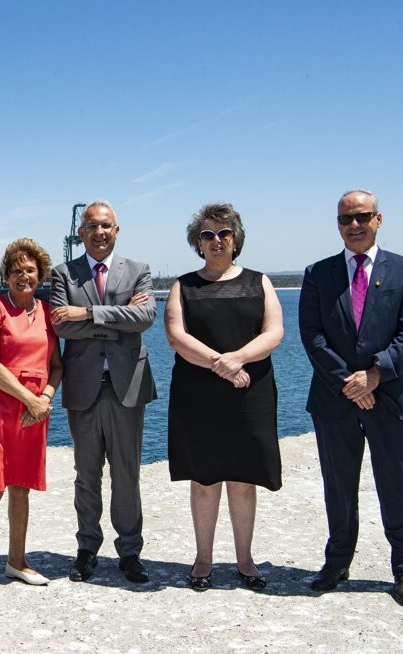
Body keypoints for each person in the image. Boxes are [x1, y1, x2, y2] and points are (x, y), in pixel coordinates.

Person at [299, 189, 403, 608]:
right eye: (345, 219)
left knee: (398, 484)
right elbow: (313, 336)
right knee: (338, 486)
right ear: (337, 225)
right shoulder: (318, 273)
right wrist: (349, 383)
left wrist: (374, 375)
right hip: (334, 399)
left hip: (388, 396)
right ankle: (337, 563)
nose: (353, 225)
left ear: (378, 219)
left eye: (362, 217)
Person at [164, 203, 284, 592]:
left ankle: (245, 560)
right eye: (208, 235)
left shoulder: (259, 281)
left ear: (236, 238)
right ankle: (203, 559)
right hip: (198, 395)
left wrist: (238, 359)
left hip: (250, 392)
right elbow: (176, 337)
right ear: (197, 243)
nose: (217, 241)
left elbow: (274, 333)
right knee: (203, 479)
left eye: (224, 233)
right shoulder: (184, 285)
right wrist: (221, 364)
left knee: (243, 479)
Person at [50, 200, 156, 584]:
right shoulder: (63, 273)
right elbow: (61, 326)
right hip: (83, 386)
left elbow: (144, 318)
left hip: (127, 385)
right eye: (92, 226)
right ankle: (87, 549)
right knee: (86, 473)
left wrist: (88, 314)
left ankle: (130, 552)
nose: (99, 233)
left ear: (117, 230)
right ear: (81, 233)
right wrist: (117, 319)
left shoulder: (139, 271)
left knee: (127, 474)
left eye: (106, 226)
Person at [0, 238, 64, 610]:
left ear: (40, 275)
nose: (24, 275)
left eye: (31, 270)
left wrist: (46, 398)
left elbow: (57, 366)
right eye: (17, 270)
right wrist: (30, 399)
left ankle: (16, 561)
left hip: (34, 409)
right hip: (1, 406)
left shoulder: (48, 312)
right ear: (6, 275)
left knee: (21, 488)